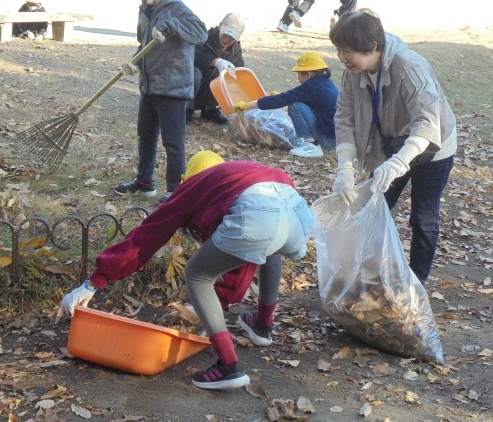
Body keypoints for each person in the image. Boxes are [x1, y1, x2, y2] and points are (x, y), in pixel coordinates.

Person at [60, 150, 313, 390]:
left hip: (260, 212)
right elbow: (248, 254)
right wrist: (219, 302)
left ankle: (229, 366)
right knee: (270, 247)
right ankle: (262, 326)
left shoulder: (194, 186)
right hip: (297, 212)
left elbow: (148, 236)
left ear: (185, 178)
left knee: (197, 275)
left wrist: (94, 282)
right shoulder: (236, 177)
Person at [329, 10, 457, 284]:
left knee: (423, 218)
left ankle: (415, 283)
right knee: (372, 209)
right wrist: (345, 168)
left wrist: (399, 163)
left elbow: (428, 120)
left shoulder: (409, 66)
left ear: (372, 46)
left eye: (347, 51)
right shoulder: (353, 72)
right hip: (390, 144)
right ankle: (369, 275)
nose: (341, 58)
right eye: (338, 50)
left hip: (433, 148)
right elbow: (344, 117)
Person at [113, 0, 207, 205]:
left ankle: (175, 191)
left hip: (173, 89)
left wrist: (170, 25)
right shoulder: (145, 10)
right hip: (149, 86)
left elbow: (201, 33)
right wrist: (134, 62)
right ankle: (144, 182)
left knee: (173, 143)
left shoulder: (178, 9)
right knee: (145, 136)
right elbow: (144, 45)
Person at [233, 51, 337, 158]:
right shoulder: (326, 82)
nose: (298, 77)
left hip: (327, 139)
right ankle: (312, 143)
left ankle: (311, 146)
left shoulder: (311, 86)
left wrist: (248, 105)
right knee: (296, 103)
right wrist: (281, 96)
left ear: (308, 74)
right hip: (336, 137)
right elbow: (300, 98)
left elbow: (282, 100)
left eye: (298, 73)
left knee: (295, 107)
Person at [188, 13, 246, 126]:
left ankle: (209, 109)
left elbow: (239, 68)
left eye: (232, 38)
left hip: (211, 91)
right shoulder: (204, 37)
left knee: (226, 77)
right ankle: (187, 109)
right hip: (195, 86)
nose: (227, 40)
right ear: (220, 26)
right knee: (195, 74)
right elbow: (191, 54)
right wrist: (215, 61)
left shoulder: (235, 49)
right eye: (225, 34)